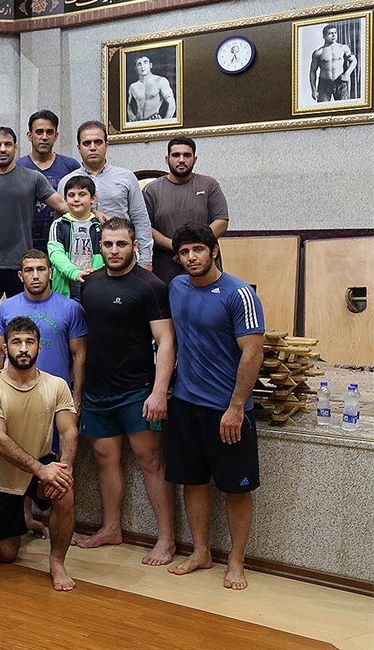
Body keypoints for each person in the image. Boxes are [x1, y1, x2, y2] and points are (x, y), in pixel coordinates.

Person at [165, 223, 265, 590]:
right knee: (193, 482)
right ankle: (201, 552)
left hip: (228, 411)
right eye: (185, 252)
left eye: (198, 250)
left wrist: (236, 407)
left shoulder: (239, 294)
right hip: (186, 405)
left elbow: (253, 353)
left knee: (237, 489)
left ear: (214, 251)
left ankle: (236, 561)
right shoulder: (177, 287)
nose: (192, 257)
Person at [76, 217, 177, 565]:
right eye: (108, 244)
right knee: (105, 459)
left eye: (121, 244)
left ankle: (166, 539)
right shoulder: (89, 284)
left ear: (134, 246)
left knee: (151, 461)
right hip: (97, 389)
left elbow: (166, 341)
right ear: (100, 247)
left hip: (138, 390)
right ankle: (111, 528)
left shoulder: (151, 286)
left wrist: (159, 392)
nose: (114, 250)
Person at [0, 316, 79, 592]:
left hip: (42, 462)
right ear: (5, 348)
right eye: (16, 342)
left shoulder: (57, 384)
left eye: (30, 342)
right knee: (6, 555)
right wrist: (41, 470)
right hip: (2, 473)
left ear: (39, 348)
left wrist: (64, 468)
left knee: (65, 491)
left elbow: (69, 431)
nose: (23, 348)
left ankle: (57, 562)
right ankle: (23, 518)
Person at [0, 127, 65, 304]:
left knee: (22, 317)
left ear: (15, 148)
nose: (3, 149)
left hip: (21, 265)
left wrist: (92, 213)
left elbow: (62, 204)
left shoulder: (33, 178)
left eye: (8, 144)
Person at [0, 251, 87, 404]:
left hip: (58, 396)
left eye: (41, 269)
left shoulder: (71, 308)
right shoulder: (6, 307)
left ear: (50, 273)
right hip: (14, 393)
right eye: (29, 270)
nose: (35, 276)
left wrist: (77, 398)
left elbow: (79, 355)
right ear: (21, 276)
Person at [58, 120, 154, 269]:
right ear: (78, 148)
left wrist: (145, 260)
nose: (92, 147)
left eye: (98, 142)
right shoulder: (67, 182)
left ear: (106, 145)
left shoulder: (126, 177)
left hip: (122, 256)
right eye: (87, 143)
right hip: (80, 263)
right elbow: (61, 226)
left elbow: (140, 220)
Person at [143, 137, 229, 283]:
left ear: (195, 159)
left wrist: (194, 248)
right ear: (167, 159)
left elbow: (221, 221)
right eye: (176, 155)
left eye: (187, 155)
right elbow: (145, 228)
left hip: (206, 267)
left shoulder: (209, 185)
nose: (181, 160)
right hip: (166, 267)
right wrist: (177, 247)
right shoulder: (152, 190)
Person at [19, 110, 82, 252]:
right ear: (29, 136)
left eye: (49, 132)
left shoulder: (71, 166)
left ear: (56, 136)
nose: (44, 137)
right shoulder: (18, 167)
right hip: (26, 243)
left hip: (63, 241)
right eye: (39, 132)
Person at [47, 175, 104, 300]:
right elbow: (55, 254)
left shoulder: (100, 226)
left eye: (82, 194)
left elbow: (106, 254)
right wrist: (74, 272)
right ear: (65, 199)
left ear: (93, 198)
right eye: (71, 195)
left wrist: (96, 273)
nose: (76, 199)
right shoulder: (59, 225)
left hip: (96, 287)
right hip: (65, 289)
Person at [309, 22, 358, 102]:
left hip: (340, 82)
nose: (334, 35)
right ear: (324, 36)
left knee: (343, 106)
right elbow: (312, 72)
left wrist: (347, 73)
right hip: (324, 83)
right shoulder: (318, 53)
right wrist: (313, 90)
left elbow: (354, 61)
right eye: (330, 33)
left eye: (335, 33)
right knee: (323, 107)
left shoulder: (343, 48)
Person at [126, 55, 177, 122]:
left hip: (154, 121)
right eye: (139, 64)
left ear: (150, 65)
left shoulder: (160, 81)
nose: (142, 66)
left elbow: (172, 104)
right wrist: (131, 116)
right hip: (138, 122)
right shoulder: (133, 87)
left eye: (145, 62)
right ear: (136, 68)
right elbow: (129, 105)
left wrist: (165, 122)